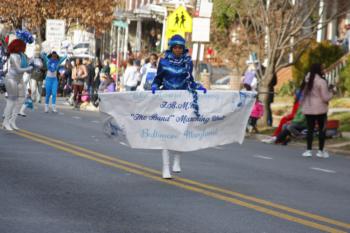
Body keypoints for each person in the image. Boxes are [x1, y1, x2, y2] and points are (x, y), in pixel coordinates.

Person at [151, 34, 206, 179]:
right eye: (175, 47)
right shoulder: (163, 62)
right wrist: (155, 86)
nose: (177, 49)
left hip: (182, 100)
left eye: (180, 47)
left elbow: (190, 81)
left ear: (183, 48)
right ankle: (165, 167)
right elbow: (158, 78)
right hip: (166, 100)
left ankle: (177, 160)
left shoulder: (188, 62)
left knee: (181, 130)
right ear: (171, 47)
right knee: (165, 133)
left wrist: (198, 87)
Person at [300, 63, 334, 158]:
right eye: (322, 68)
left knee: (310, 130)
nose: (323, 70)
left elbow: (302, 94)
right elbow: (325, 98)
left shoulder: (306, 80)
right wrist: (332, 92)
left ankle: (308, 150)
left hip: (308, 109)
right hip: (320, 110)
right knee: (321, 130)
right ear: (318, 70)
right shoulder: (321, 82)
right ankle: (320, 151)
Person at [2, 30, 34, 130]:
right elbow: (18, 69)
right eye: (23, 45)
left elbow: (26, 69)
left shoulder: (23, 56)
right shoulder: (13, 56)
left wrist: (32, 66)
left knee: (21, 100)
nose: (25, 47)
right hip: (11, 79)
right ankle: (5, 122)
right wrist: (29, 68)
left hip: (19, 80)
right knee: (11, 101)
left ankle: (12, 121)